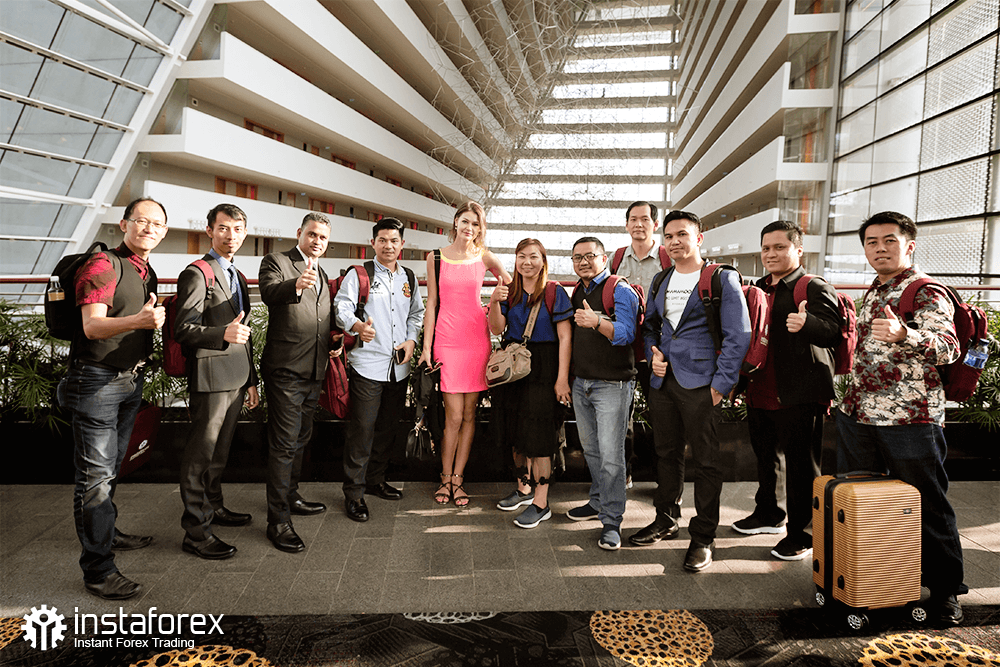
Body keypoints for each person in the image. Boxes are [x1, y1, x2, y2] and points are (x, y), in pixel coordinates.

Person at [837, 211, 966, 626]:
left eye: (889, 240)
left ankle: (946, 592)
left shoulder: (925, 290)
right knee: (870, 507)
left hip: (910, 419)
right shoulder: (876, 289)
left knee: (927, 504)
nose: (880, 249)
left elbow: (948, 347)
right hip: (860, 415)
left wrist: (904, 334)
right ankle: (879, 584)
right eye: (871, 242)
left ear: (909, 245)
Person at [57, 198, 168, 600]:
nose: (149, 228)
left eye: (157, 224)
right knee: (96, 477)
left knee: (110, 468)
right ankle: (98, 570)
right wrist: (140, 320)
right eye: (141, 221)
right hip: (97, 381)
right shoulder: (103, 264)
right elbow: (92, 326)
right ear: (124, 224)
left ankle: (106, 533)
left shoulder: (144, 270)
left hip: (127, 380)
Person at [630, 211, 750, 572]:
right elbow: (650, 326)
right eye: (668, 236)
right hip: (664, 382)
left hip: (703, 384)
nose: (674, 242)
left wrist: (720, 386)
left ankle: (703, 537)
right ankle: (666, 519)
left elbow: (739, 335)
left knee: (707, 461)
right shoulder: (661, 278)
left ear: (699, 238)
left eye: (682, 234)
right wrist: (654, 354)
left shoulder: (721, 278)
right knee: (666, 453)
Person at [732, 221, 841, 561]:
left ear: (798, 250)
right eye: (766, 248)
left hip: (800, 393)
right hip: (761, 389)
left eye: (780, 247)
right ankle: (769, 514)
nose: (771, 254)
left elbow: (833, 333)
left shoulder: (812, 286)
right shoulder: (758, 287)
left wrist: (807, 323)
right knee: (767, 459)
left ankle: (803, 534)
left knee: (801, 467)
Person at [175, 203, 258, 561]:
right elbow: (183, 329)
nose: (231, 235)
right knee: (200, 455)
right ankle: (196, 532)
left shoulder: (237, 274)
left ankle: (215, 506)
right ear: (209, 230)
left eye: (237, 229)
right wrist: (221, 333)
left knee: (220, 452)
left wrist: (251, 380)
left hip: (236, 376)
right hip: (210, 377)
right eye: (223, 228)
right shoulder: (198, 273)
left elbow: (244, 333)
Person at [418, 201, 510, 507]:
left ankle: (457, 480)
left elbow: (512, 283)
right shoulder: (435, 257)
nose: (469, 228)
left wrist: (494, 302)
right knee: (454, 416)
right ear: (456, 222)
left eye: (475, 223)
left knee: (470, 415)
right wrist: (426, 348)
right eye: (465, 221)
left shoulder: (484, 256)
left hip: (476, 340)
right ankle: (444, 477)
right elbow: (432, 304)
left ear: (480, 229)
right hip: (446, 341)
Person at [335, 217, 424, 522]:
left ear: (402, 244)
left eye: (394, 241)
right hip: (367, 365)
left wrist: (412, 340)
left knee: (387, 428)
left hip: (399, 367)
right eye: (382, 240)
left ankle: (375, 480)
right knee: (362, 431)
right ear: (373, 243)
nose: (388, 246)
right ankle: (354, 493)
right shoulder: (359, 274)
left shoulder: (408, 277)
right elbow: (341, 308)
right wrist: (357, 326)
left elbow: (416, 314)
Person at [258, 212, 337, 552]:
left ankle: (290, 496)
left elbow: (321, 318)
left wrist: (335, 338)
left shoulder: (324, 273)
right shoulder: (277, 261)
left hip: (314, 370)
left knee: (301, 438)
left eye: (323, 237)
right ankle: (277, 521)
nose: (317, 241)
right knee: (284, 444)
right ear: (300, 234)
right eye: (312, 234)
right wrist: (296, 284)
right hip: (286, 370)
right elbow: (268, 293)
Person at [488, 239, 573, 528]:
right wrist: (494, 301)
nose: (527, 262)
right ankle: (523, 488)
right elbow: (497, 328)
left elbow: (565, 337)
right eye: (522, 256)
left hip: (544, 367)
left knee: (540, 436)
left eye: (533, 257)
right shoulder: (509, 291)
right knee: (515, 429)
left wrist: (562, 379)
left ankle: (541, 502)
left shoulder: (554, 292)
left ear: (543, 260)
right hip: (513, 368)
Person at [564, 237, 640, 550]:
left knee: (611, 457)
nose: (583, 262)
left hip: (613, 385)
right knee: (592, 451)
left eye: (590, 256)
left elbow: (627, 333)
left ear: (604, 258)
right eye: (577, 257)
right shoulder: (578, 291)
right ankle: (597, 500)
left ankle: (611, 521)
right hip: (582, 383)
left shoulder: (618, 289)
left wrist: (597, 322)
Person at [611, 201, 670, 488]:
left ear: (655, 224)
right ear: (626, 225)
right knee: (621, 415)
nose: (638, 224)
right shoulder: (616, 258)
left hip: (656, 348)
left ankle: (663, 479)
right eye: (633, 219)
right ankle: (623, 473)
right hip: (622, 348)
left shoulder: (666, 258)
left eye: (645, 219)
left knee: (661, 413)